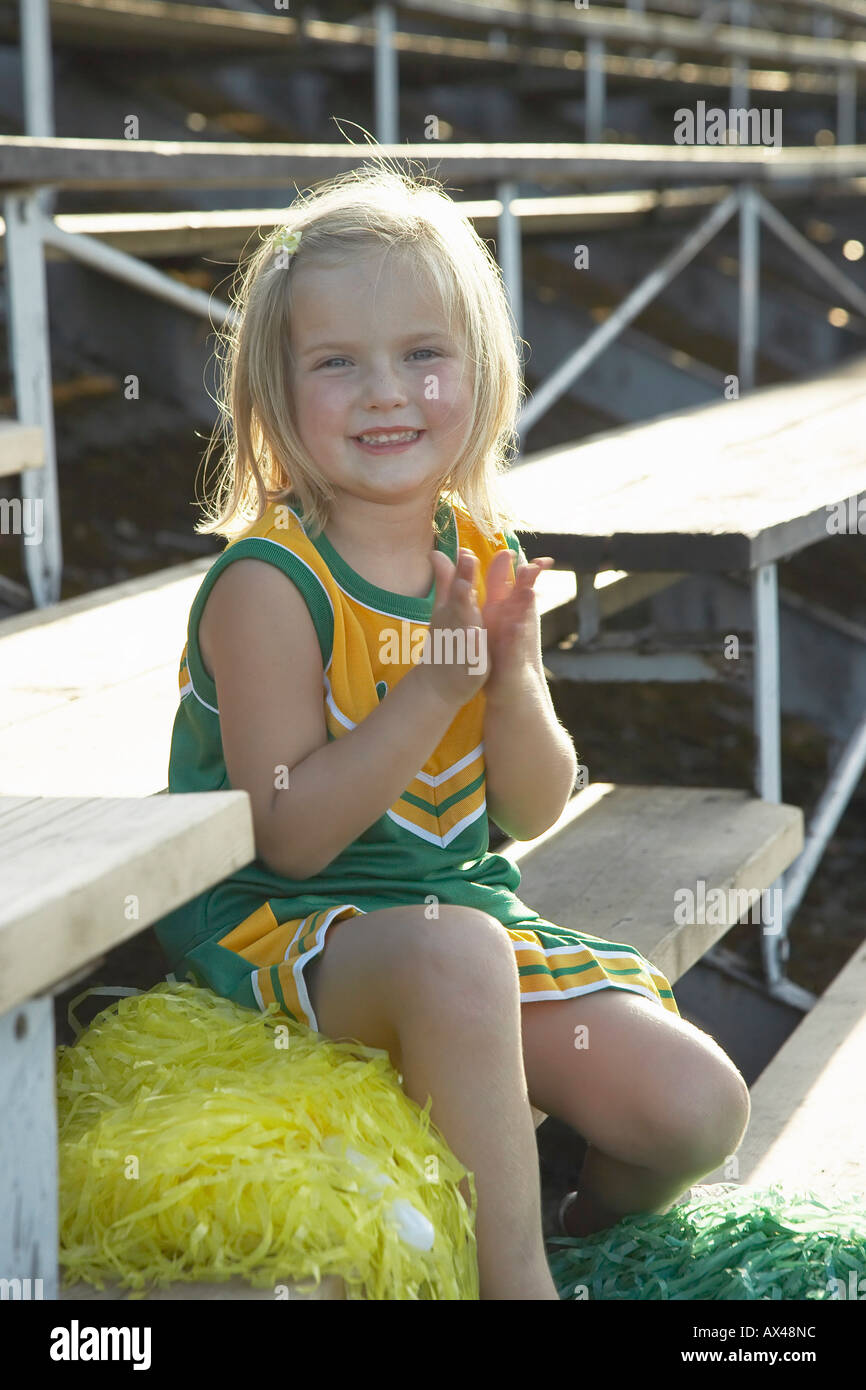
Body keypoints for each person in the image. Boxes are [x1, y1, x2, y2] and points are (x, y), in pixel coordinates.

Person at [154, 161, 750, 1301]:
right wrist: (428, 694)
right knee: (455, 949)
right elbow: (288, 835)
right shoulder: (269, 584)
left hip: (454, 928)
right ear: (274, 396)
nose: (386, 392)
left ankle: (572, 1216)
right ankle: (512, 1285)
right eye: (337, 363)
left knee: (695, 1110)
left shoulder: (475, 553)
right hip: (292, 934)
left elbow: (527, 807)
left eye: (423, 355)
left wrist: (511, 672)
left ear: (480, 375)